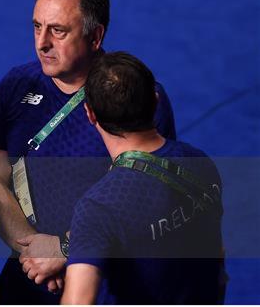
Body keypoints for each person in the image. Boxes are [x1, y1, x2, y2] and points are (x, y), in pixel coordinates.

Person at [0, 0, 177, 304]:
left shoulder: (137, 96)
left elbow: (147, 200)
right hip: (27, 283)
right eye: (37, 27)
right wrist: (34, 252)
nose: (42, 43)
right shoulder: (16, 85)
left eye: (58, 31)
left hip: (106, 290)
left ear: (95, 36)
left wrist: (65, 250)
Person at [61, 51, 225, 304]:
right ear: (156, 100)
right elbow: (217, 257)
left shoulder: (98, 207)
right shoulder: (200, 161)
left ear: (90, 114)